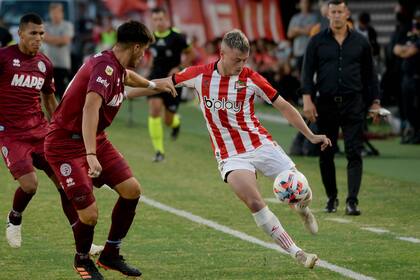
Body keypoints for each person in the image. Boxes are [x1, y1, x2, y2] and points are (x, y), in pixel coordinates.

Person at [129, 29, 331, 269]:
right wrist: (123, 93)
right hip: (230, 155)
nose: (241, 65)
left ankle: (304, 209)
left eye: (245, 60)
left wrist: (310, 135)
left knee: (300, 187)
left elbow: (284, 106)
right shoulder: (199, 75)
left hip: (260, 144)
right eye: (237, 60)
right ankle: (298, 253)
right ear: (221, 53)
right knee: (255, 203)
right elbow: (159, 84)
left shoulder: (251, 78)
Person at [44, 20, 176, 280]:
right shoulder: (104, 68)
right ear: (136, 47)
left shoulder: (115, 64)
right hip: (65, 144)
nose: (144, 56)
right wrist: (90, 155)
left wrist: (153, 86)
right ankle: (82, 260)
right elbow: (90, 108)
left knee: (132, 190)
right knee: (90, 215)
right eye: (144, 50)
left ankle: (110, 254)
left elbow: (127, 77)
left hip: (94, 138)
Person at [0, 13, 102, 256]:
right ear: (20, 34)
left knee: (65, 185)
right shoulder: (4, 57)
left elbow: (48, 98)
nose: (38, 38)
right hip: (11, 134)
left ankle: (84, 244)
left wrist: (61, 128)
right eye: (33, 33)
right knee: (30, 185)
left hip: (40, 131)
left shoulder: (45, 63)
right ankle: (14, 219)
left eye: (41, 33)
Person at [300, 0, 382, 215]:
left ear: (347, 13)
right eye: (332, 12)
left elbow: (370, 75)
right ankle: (331, 198)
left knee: (354, 152)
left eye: (339, 11)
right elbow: (307, 72)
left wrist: (375, 102)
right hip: (325, 103)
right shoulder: (316, 41)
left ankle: (352, 201)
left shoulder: (361, 42)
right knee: (326, 152)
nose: (336, 15)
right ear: (327, 15)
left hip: (354, 103)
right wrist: (307, 99)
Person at [147, 7, 195, 162]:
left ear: (166, 19)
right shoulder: (150, 37)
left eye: (161, 19)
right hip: (155, 79)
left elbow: (191, 53)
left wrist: (179, 68)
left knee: (168, 120)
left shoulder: (177, 36)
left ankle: (176, 122)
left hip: (174, 81)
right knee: (154, 110)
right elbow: (151, 57)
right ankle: (159, 151)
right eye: (155, 20)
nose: (158, 22)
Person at [393, 10, 420, 144]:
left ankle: (417, 133)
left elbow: (409, 52)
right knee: (407, 108)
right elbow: (396, 50)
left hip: (416, 77)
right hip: (407, 77)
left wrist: (404, 51)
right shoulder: (410, 35)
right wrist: (405, 50)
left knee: (416, 107)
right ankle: (414, 131)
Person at [43, 3, 74, 100]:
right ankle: (50, 114)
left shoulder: (67, 25)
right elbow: (43, 38)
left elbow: (65, 41)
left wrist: (49, 39)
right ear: (50, 13)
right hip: (48, 63)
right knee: (48, 93)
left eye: (57, 12)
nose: (55, 15)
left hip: (62, 64)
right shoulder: (45, 25)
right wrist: (58, 40)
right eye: (53, 12)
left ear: (62, 13)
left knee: (62, 93)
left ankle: (62, 114)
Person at [287, 0, 318, 77]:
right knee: (299, 76)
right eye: (303, 2)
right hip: (298, 52)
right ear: (299, 4)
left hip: (310, 52)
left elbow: (311, 32)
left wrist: (297, 29)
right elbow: (289, 34)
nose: (305, 5)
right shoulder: (295, 18)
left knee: (309, 75)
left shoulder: (314, 17)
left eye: (307, 2)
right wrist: (304, 30)